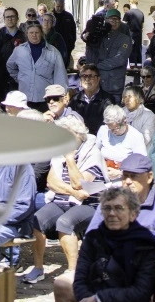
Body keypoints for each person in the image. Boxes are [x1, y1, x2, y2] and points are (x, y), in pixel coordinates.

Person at [27, 117, 104, 281]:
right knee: (37, 220)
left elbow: (80, 184)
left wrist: (69, 159)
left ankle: (73, 271)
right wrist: (73, 192)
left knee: (65, 222)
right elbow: (51, 182)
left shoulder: (93, 154)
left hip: (89, 204)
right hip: (62, 200)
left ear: (78, 134)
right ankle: (38, 268)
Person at [7, 22, 68, 112]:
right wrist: (20, 78)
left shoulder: (53, 52)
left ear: (41, 33)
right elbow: (10, 66)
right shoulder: (19, 50)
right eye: (31, 33)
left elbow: (60, 75)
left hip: (45, 99)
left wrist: (60, 96)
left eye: (37, 32)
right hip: (24, 98)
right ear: (27, 34)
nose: (34, 35)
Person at [98, 104, 150, 183]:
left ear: (125, 122)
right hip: (102, 176)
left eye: (116, 128)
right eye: (110, 128)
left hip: (124, 180)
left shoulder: (136, 136)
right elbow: (95, 152)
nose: (113, 132)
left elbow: (141, 165)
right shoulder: (103, 130)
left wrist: (120, 173)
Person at [96, 9, 133, 102]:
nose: (114, 22)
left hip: (114, 86)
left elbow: (120, 59)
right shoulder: (99, 37)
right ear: (106, 20)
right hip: (98, 84)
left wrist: (96, 65)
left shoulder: (125, 39)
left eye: (117, 19)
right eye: (111, 19)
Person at [71, 64, 116, 132]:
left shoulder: (107, 100)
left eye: (91, 76)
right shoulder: (75, 99)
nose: (87, 79)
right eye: (84, 76)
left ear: (98, 79)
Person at [52, 0, 78, 64]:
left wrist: (72, 44)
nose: (59, 8)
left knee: (64, 64)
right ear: (54, 4)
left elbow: (73, 31)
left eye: (62, 6)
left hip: (66, 45)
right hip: (53, 45)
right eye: (58, 6)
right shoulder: (50, 16)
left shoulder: (69, 16)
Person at [123, 0, 145, 65]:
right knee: (138, 50)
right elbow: (142, 25)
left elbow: (124, 24)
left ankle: (132, 66)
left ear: (130, 2)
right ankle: (139, 65)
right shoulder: (141, 13)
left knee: (131, 50)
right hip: (139, 34)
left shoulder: (128, 13)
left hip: (131, 33)